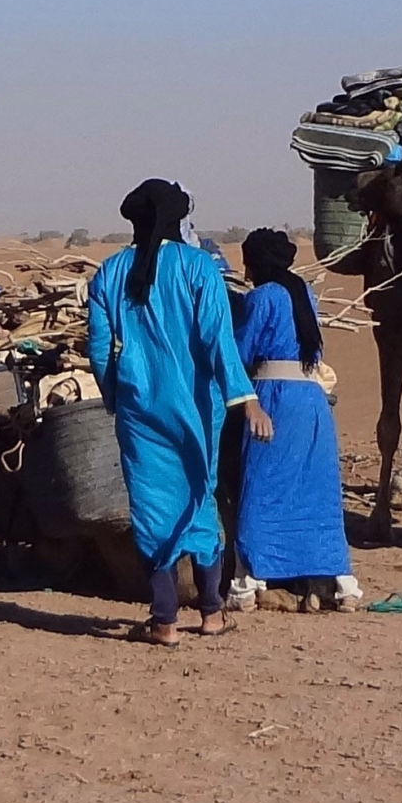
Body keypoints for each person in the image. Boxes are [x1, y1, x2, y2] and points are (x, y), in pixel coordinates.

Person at [87, 179, 271, 646]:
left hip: (140, 410)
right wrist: (244, 397)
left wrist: (116, 394)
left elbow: (98, 347)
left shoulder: (108, 273)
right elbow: (216, 338)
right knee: (199, 496)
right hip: (197, 408)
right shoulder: (199, 268)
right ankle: (211, 612)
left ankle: (164, 620)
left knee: (151, 507)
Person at [231, 229, 355, 604]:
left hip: (274, 399)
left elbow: (241, 351)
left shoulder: (262, 298)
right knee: (316, 489)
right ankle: (339, 582)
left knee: (261, 487)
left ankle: (248, 583)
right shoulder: (305, 295)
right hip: (311, 401)